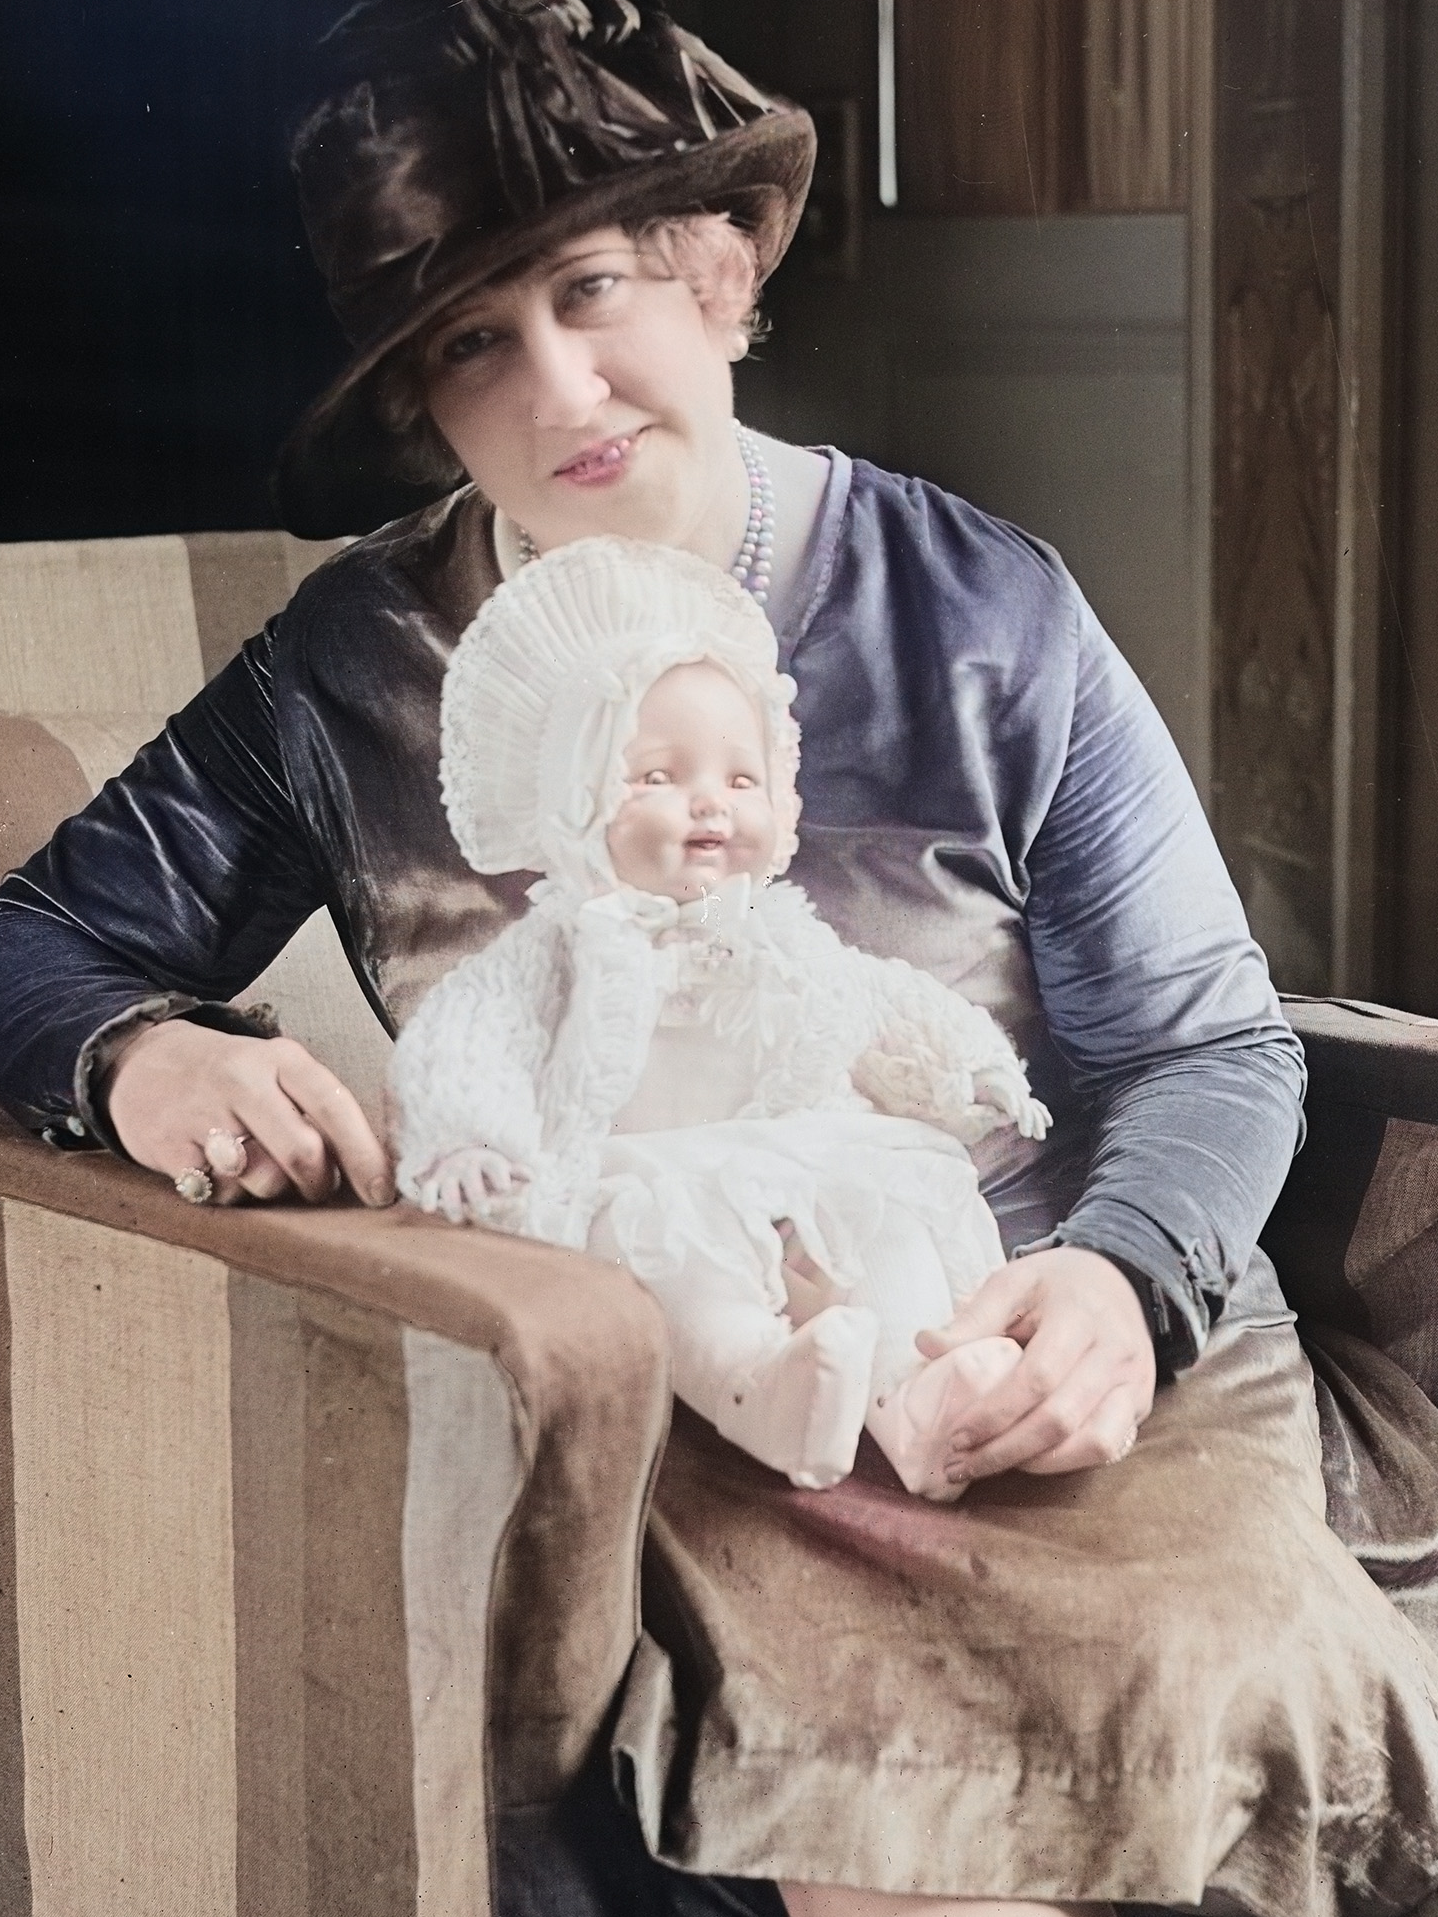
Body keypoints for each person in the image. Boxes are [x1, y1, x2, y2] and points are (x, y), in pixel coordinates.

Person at [0, 0, 1438, 1917]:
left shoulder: (982, 608)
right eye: (468, 343)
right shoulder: (347, 670)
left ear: (715, 276)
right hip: (697, 1394)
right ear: (415, 404)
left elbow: (1200, 1042)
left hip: (1036, 1326)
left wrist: (1107, 1286)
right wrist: (139, 1053)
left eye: (595, 289)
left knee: (1225, 1722)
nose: (558, 388)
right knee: (876, 1854)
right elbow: (23, 946)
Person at [393, 536, 1047, 1501]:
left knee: (891, 1226)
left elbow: (875, 1001)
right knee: (673, 1266)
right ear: (578, 797)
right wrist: (471, 1141)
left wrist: (967, 1067)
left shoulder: (782, 934)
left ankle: (921, 1394)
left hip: (801, 1160)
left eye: (740, 780)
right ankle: (761, 1385)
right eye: (658, 775)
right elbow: (468, 1038)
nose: (709, 803)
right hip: (647, 1170)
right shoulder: (565, 947)